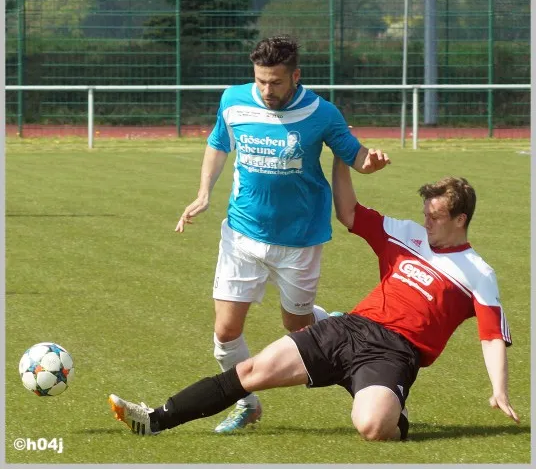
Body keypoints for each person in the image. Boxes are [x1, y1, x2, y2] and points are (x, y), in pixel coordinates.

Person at [110, 160, 519, 441]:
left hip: (394, 352)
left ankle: (393, 409)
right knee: (251, 371)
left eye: (435, 217)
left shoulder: (477, 272)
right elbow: (350, 213)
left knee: (373, 428)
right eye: (425, 213)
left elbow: (491, 336)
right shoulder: (406, 234)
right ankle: (155, 419)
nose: (425, 222)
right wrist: (342, 157)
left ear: (460, 219)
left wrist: (499, 390)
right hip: (348, 328)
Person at [174, 34, 389, 433]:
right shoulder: (233, 100)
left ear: (296, 76)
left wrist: (370, 162)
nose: (267, 90)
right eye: (261, 81)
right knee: (225, 331)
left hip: (300, 241)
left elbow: (355, 155)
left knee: (298, 327)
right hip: (241, 234)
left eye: (275, 82)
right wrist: (203, 193)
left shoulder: (322, 113)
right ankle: (246, 404)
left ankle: (337, 325)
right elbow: (218, 144)